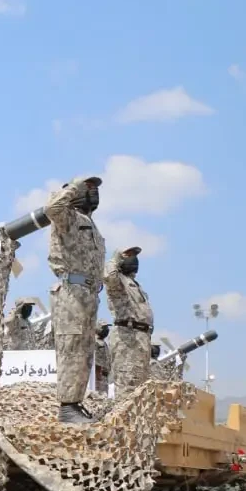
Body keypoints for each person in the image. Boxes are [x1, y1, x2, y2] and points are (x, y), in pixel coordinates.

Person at [45, 176, 104, 424]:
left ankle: (75, 403)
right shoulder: (67, 217)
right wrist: (73, 186)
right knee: (71, 347)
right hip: (71, 291)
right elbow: (51, 208)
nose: (93, 192)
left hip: (88, 294)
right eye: (88, 188)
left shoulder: (90, 224)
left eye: (95, 189)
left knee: (84, 351)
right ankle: (67, 406)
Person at [103, 247, 153, 392]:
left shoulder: (134, 284)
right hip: (127, 337)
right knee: (127, 385)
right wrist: (114, 259)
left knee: (140, 387)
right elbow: (108, 276)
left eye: (134, 255)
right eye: (128, 255)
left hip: (141, 338)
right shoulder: (118, 281)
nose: (133, 258)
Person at [93, 321, 111, 393]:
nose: (107, 329)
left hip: (104, 377)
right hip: (97, 377)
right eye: (104, 327)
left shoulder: (103, 342)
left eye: (107, 327)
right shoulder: (94, 342)